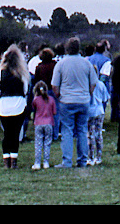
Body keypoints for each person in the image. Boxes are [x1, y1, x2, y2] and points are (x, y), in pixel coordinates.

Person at [52, 37, 96, 168]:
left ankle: (67, 161)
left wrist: (59, 96)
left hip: (67, 100)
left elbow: (55, 85)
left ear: (67, 48)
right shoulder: (86, 63)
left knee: (67, 130)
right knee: (82, 130)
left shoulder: (61, 64)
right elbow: (93, 83)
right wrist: (88, 94)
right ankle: (82, 160)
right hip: (83, 100)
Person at [0, 44, 30, 169]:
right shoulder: (22, 73)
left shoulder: (0, 72)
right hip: (18, 105)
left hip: (4, 105)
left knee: (7, 134)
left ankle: (6, 160)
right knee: (15, 134)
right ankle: (14, 160)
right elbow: (25, 90)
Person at [31, 79, 57, 170]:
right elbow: (54, 112)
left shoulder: (35, 100)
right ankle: (46, 162)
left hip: (38, 123)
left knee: (38, 143)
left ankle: (37, 163)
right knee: (47, 143)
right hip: (49, 123)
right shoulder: (51, 99)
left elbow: (33, 109)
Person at [87, 69, 109, 165]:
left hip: (90, 111)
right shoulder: (101, 84)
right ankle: (98, 157)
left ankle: (90, 157)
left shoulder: (87, 85)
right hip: (100, 110)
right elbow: (105, 98)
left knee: (90, 135)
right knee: (98, 134)